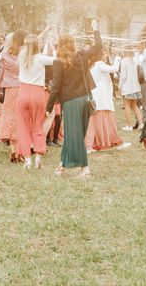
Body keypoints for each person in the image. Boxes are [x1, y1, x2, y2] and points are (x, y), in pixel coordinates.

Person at [47, 22, 102, 177]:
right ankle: (62, 165)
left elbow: (56, 87)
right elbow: (98, 46)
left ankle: (85, 169)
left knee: (74, 136)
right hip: (85, 99)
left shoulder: (58, 62)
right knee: (76, 135)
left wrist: (48, 107)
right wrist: (95, 29)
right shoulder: (82, 56)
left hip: (71, 102)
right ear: (72, 44)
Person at [17, 28, 55, 169]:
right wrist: (50, 41)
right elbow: (57, 60)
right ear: (37, 45)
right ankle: (38, 155)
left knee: (23, 126)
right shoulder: (41, 59)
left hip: (23, 92)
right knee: (37, 125)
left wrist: (44, 32)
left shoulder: (21, 56)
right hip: (37, 92)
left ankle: (27, 158)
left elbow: (31, 43)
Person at [85, 47, 130, 152]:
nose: (106, 55)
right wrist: (118, 57)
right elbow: (114, 68)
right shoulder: (99, 64)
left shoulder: (92, 65)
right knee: (105, 120)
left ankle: (93, 143)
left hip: (96, 96)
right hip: (102, 97)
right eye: (105, 53)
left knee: (94, 122)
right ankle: (106, 141)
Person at [0, 30, 27, 162]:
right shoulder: (24, 54)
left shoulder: (5, 54)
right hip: (22, 88)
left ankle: (13, 149)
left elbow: (0, 73)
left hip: (9, 89)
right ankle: (18, 150)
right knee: (20, 118)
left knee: (9, 117)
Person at [118, 49, 143, 131]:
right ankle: (141, 123)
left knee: (127, 106)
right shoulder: (135, 59)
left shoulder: (124, 60)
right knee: (134, 106)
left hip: (127, 87)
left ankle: (129, 125)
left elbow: (123, 76)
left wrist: (119, 86)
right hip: (135, 87)